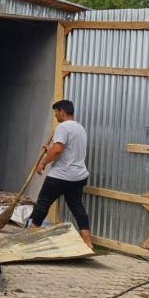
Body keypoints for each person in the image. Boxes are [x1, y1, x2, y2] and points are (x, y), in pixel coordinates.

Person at [29, 99, 93, 248]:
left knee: (43, 203)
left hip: (61, 175)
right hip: (78, 176)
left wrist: (43, 162)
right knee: (77, 207)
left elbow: (58, 150)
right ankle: (88, 242)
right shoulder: (80, 128)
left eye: (56, 112)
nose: (55, 116)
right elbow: (65, 148)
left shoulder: (63, 127)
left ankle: (31, 235)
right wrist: (49, 149)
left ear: (62, 112)